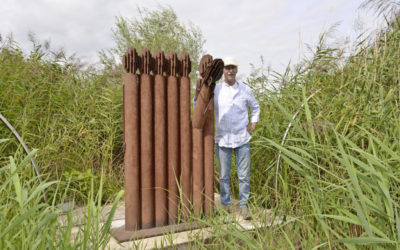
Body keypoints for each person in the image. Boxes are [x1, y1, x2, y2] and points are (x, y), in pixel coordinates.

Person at [214, 57, 260, 220]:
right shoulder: (216, 89)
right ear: (223, 70)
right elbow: (200, 102)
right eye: (227, 68)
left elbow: (255, 107)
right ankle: (225, 204)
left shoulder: (245, 90)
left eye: (233, 67)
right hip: (223, 139)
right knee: (224, 175)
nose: (230, 71)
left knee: (243, 175)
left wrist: (253, 123)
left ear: (237, 70)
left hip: (242, 139)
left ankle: (244, 206)